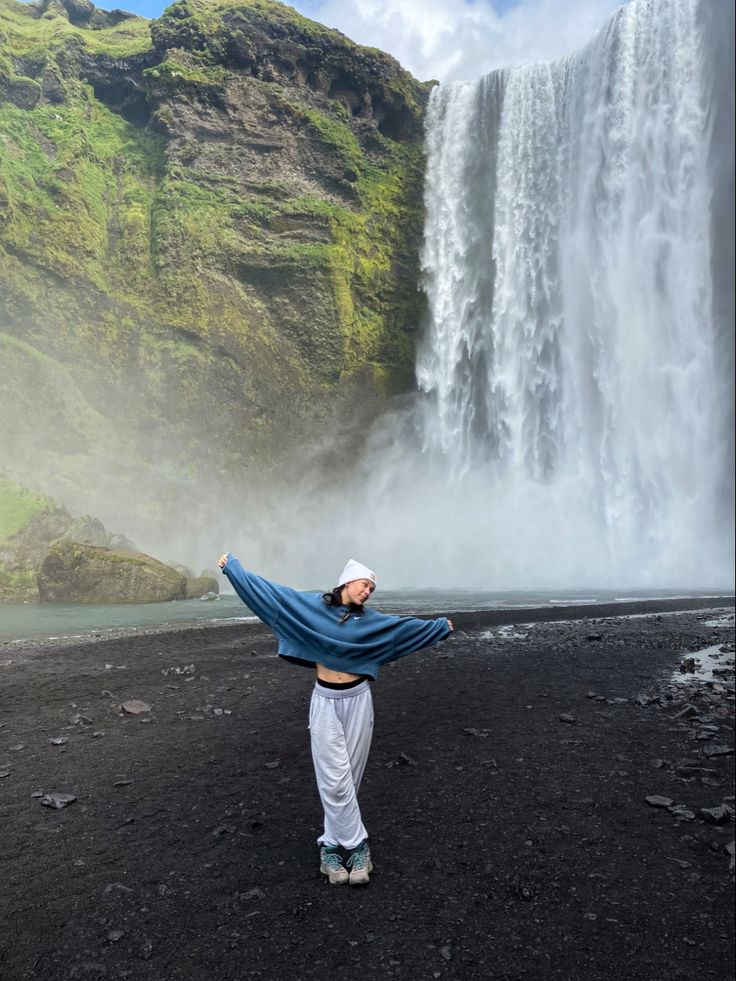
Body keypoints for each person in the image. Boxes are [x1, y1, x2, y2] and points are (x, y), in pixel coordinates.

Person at [218, 552, 454, 886]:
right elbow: (269, 595)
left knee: (349, 778)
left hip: (359, 700)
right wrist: (234, 569)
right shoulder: (311, 608)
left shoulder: (370, 622)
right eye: (364, 584)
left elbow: (402, 629)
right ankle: (358, 846)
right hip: (326, 701)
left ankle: (330, 846)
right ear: (346, 581)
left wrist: (439, 628)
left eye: (372, 588)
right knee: (334, 778)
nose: (368, 591)